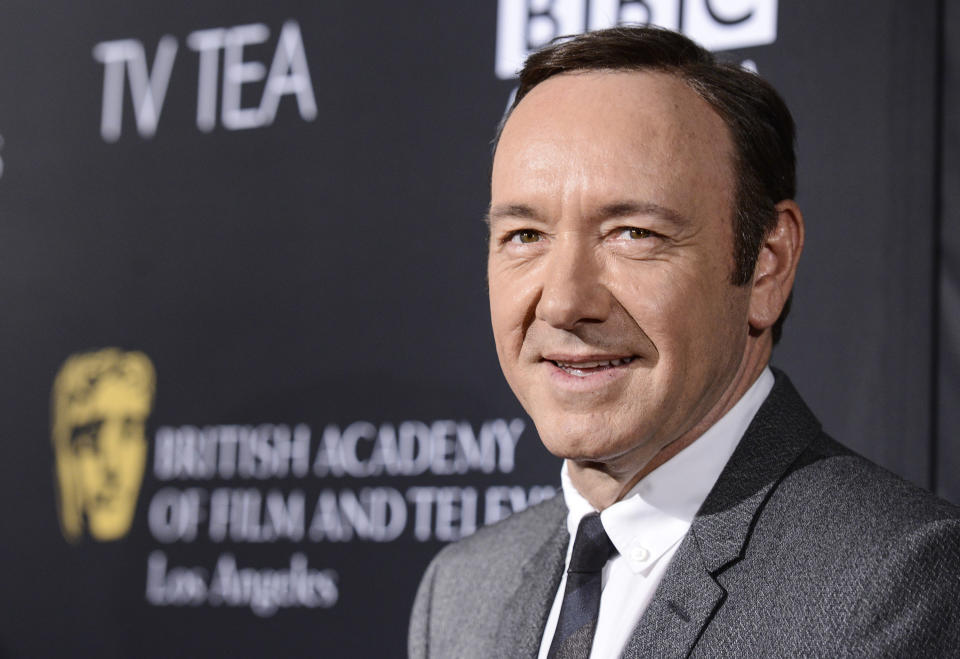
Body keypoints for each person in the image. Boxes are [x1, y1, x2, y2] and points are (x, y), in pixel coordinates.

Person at [408, 26, 960, 658]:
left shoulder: (903, 582)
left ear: (766, 264)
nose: (563, 302)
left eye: (633, 233)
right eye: (526, 236)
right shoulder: (459, 591)